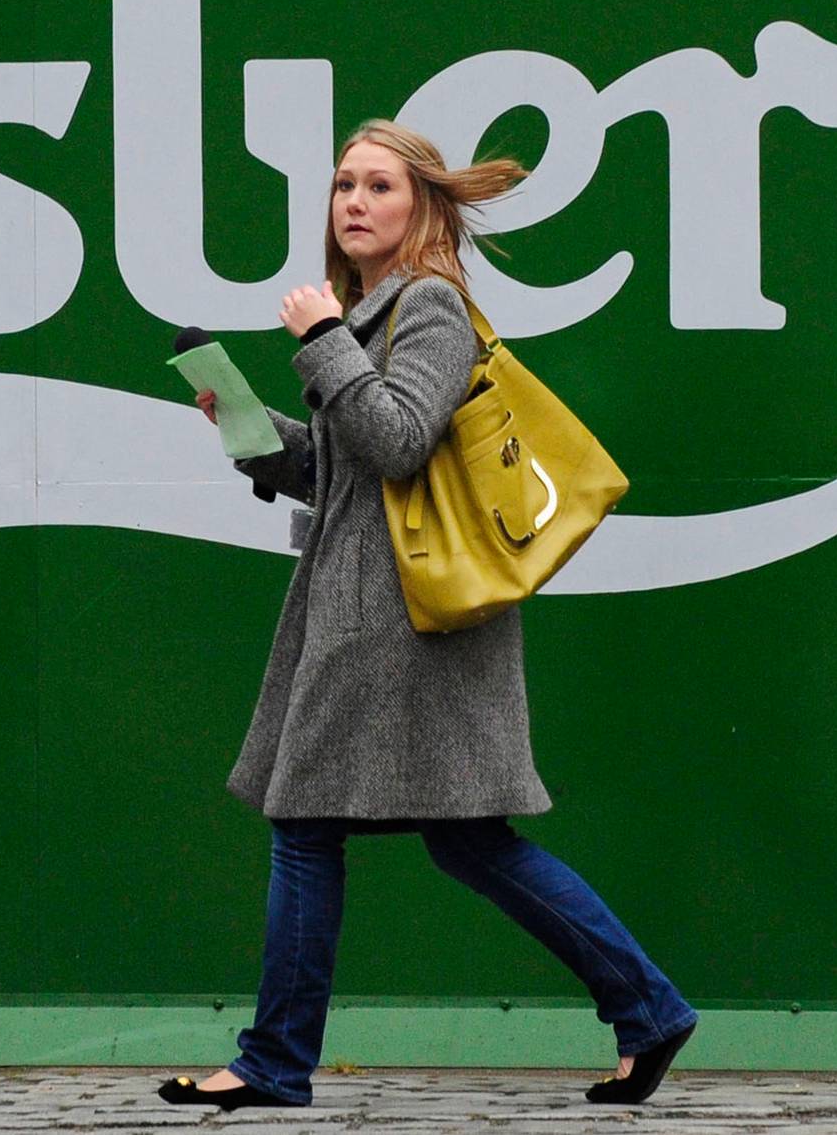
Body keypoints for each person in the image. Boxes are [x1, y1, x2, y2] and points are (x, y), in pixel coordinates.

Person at [154, 118, 697, 1110]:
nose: (352, 202)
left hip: (404, 621)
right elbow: (344, 473)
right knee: (463, 839)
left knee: (309, 823)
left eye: (378, 187)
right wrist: (240, 420)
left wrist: (319, 339)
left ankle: (275, 1063)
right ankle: (647, 1009)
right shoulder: (374, 317)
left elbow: (399, 439)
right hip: (369, 609)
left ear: (422, 209)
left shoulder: (430, 308)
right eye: (342, 186)